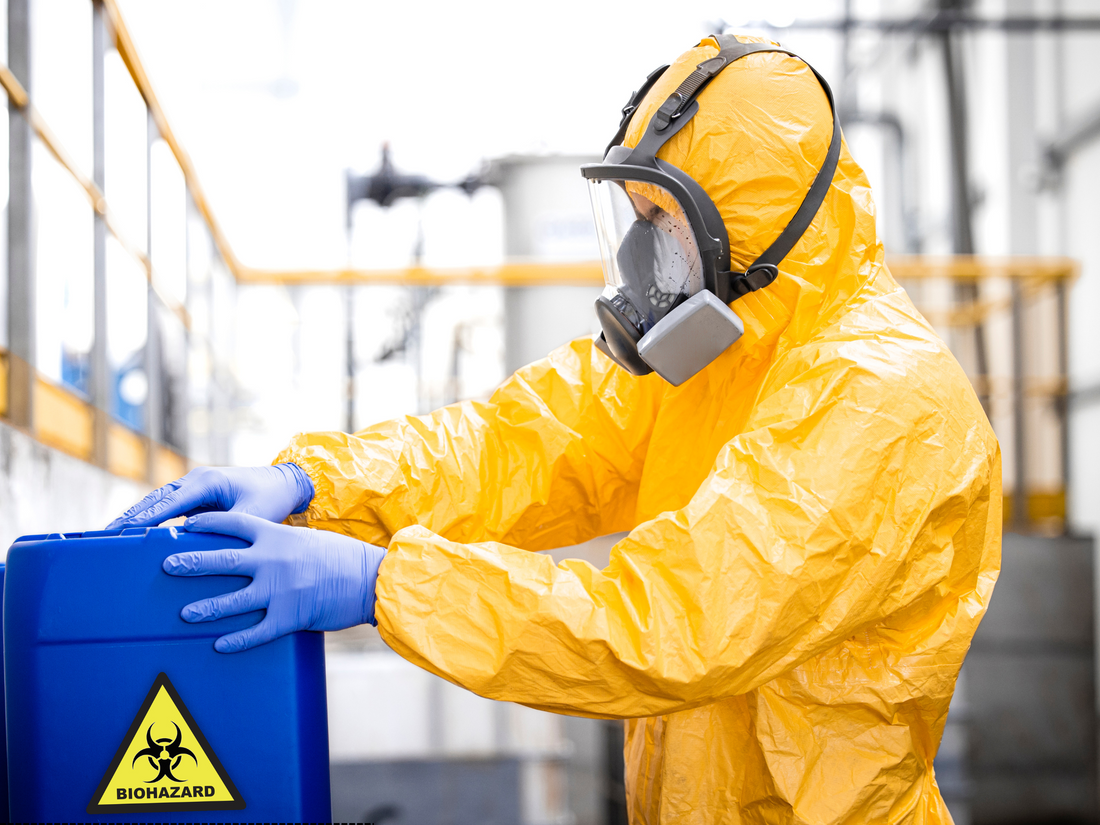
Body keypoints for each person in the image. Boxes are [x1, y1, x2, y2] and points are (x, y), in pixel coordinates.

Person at [110, 34, 1000, 824]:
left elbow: (672, 621)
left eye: (661, 219)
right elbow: (521, 446)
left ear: (751, 217)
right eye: (637, 215)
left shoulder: (882, 399)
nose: (638, 253)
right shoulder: (722, 351)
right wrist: (316, 485)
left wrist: (389, 582)